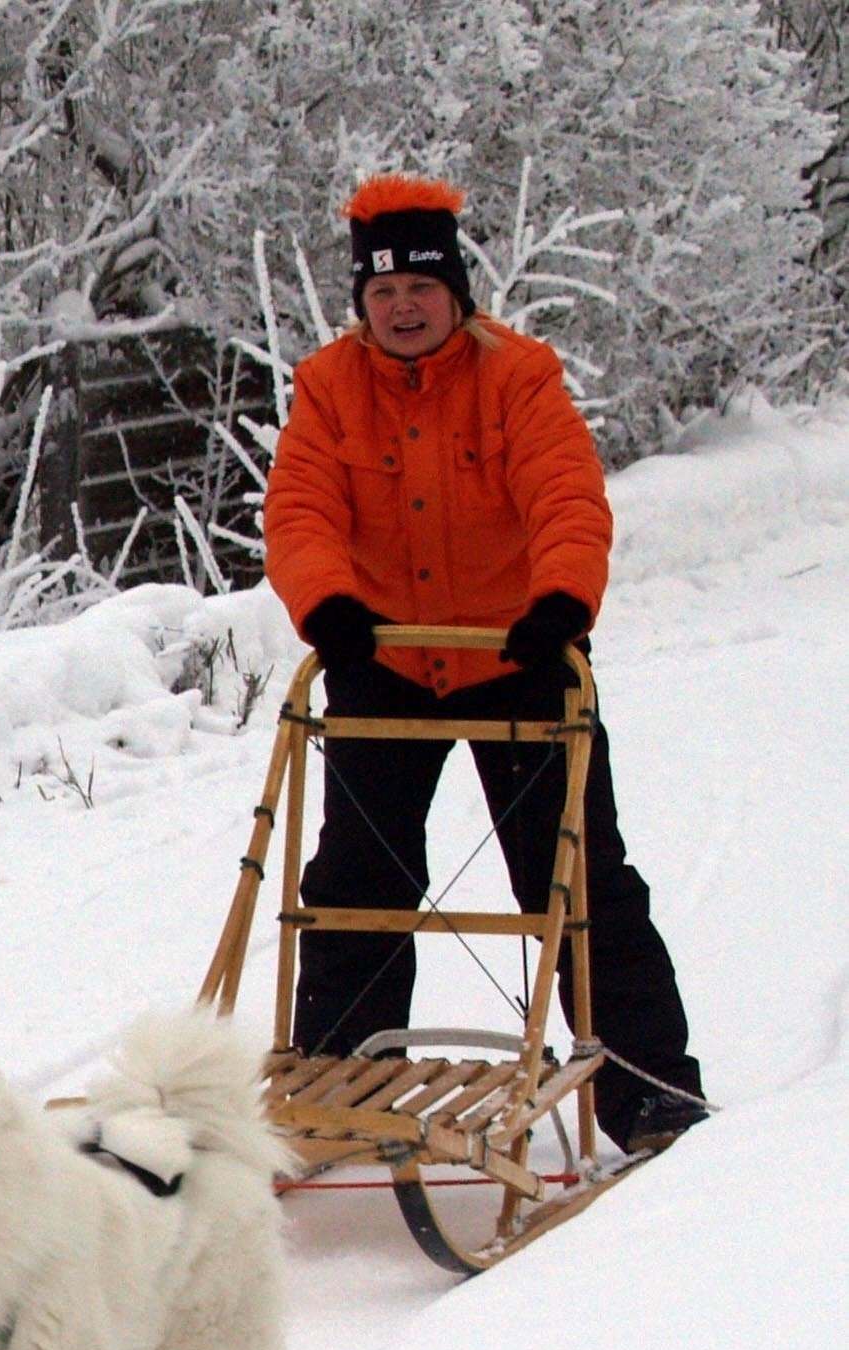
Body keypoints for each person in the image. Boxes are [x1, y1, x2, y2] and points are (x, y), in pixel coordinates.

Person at [261, 173, 709, 1153]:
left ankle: (649, 1091)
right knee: (353, 881)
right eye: (380, 294)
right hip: (380, 658)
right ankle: (344, 1083)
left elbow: (564, 496)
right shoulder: (328, 389)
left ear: (454, 290)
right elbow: (298, 510)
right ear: (359, 304)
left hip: (517, 651)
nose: (401, 308)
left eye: (418, 288)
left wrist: (558, 601)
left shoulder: (517, 376)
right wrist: (324, 603)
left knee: (575, 880)